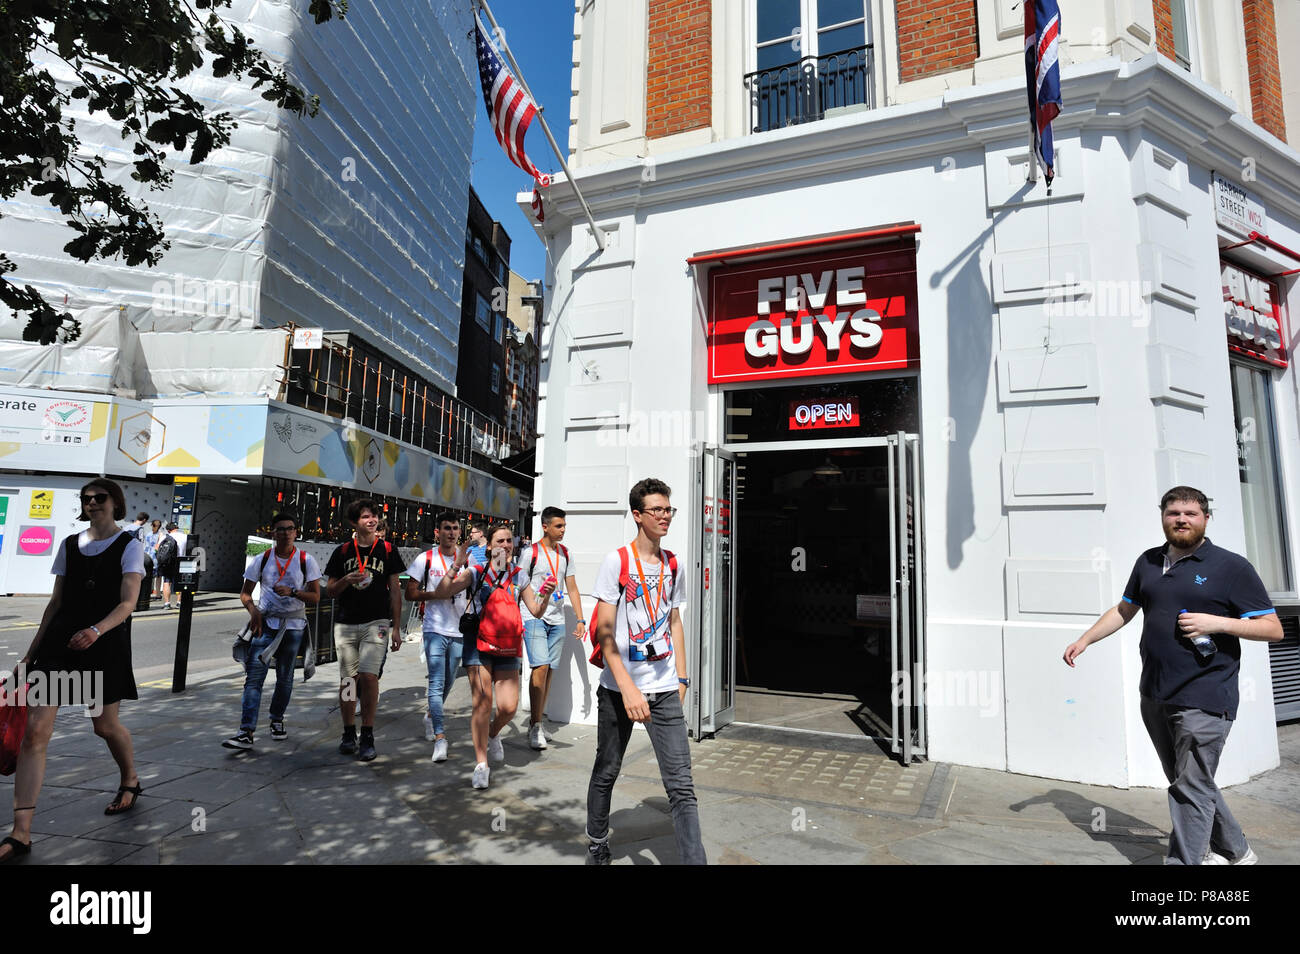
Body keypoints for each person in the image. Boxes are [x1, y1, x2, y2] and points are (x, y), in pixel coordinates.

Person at [1063, 486, 1283, 866]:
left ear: (1206, 518)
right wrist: (1085, 639)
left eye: (1190, 513)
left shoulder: (1231, 567)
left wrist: (1218, 622)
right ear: (1163, 516)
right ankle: (1237, 851)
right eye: (1173, 513)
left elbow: (1273, 628)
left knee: (1191, 786)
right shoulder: (1148, 561)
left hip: (1206, 694)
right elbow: (1125, 609)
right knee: (1189, 782)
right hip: (1156, 692)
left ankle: (1184, 861)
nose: (1181, 519)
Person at [0, 478, 146, 864]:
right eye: (86, 499)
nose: (92, 503)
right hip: (59, 644)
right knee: (35, 733)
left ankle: (130, 777)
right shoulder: (68, 545)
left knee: (103, 725)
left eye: (99, 498)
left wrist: (96, 630)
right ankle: (21, 832)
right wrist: (31, 654)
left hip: (103, 642)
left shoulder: (130, 545)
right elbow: (55, 603)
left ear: (115, 502)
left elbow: (128, 602)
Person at [585, 478, 703, 865]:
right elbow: (604, 633)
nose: (665, 516)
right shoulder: (616, 561)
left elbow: (674, 622)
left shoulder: (673, 563)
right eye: (657, 509)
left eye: (668, 509)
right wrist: (629, 689)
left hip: (665, 686)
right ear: (638, 515)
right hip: (619, 689)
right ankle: (598, 841)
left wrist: (682, 678)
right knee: (607, 770)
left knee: (681, 787)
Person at [430, 524, 554, 789]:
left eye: (509, 540)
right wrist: (457, 565)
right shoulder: (475, 572)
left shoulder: (520, 576)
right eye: (500, 540)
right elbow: (443, 592)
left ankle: (493, 733)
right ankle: (481, 764)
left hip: (508, 645)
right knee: (483, 703)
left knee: (508, 707)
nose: (506, 545)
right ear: (489, 546)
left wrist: (546, 594)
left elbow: (536, 610)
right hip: (478, 644)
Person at [223, 513, 322, 749]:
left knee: (285, 677)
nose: (286, 533)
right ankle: (246, 731)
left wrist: (294, 592)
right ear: (273, 534)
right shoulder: (262, 559)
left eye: (290, 529)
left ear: (296, 533)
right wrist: (253, 611)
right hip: (265, 624)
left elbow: (316, 597)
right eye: (280, 529)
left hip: (293, 627)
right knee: (254, 679)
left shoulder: (306, 560)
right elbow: (245, 593)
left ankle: (277, 719)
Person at [324, 498, 404, 761]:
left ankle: (367, 732)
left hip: (376, 623)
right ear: (354, 523)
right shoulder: (343, 551)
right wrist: (347, 579)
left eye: (374, 516)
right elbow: (330, 591)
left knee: (369, 676)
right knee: (349, 680)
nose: (371, 520)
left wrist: (396, 627)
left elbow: (395, 591)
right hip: (346, 623)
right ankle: (349, 731)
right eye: (365, 517)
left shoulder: (388, 550)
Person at [519, 507, 587, 750]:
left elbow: (573, 587)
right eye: (559, 526)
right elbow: (519, 584)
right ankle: (536, 725)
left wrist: (580, 619)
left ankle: (536, 722)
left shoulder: (565, 554)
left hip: (557, 618)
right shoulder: (530, 553)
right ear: (545, 526)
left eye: (564, 526)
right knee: (541, 667)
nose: (563, 530)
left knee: (549, 672)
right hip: (533, 615)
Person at [404, 512, 468, 763]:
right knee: (437, 683)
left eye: (455, 528)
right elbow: (410, 593)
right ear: (437, 533)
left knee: (450, 681)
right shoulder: (425, 559)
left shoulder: (466, 561)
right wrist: (435, 595)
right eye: (446, 528)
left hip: (458, 630)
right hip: (434, 629)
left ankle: (431, 716)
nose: (451, 532)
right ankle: (441, 737)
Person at [157, 522, 186, 609]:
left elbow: (157, 548)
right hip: (181, 561)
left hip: (168, 562)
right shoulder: (185, 536)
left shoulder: (165, 537)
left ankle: (167, 603)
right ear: (176, 528)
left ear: (168, 530)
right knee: (180, 582)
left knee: (167, 582)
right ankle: (179, 602)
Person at [143, 519, 163, 600]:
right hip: (156, 558)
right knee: (158, 577)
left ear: (152, 525)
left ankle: (147, 593)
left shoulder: (148, 534)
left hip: (148, 556)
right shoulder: (160, 535)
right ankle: (158, 595)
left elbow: (146, 546)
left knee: (148, 577)